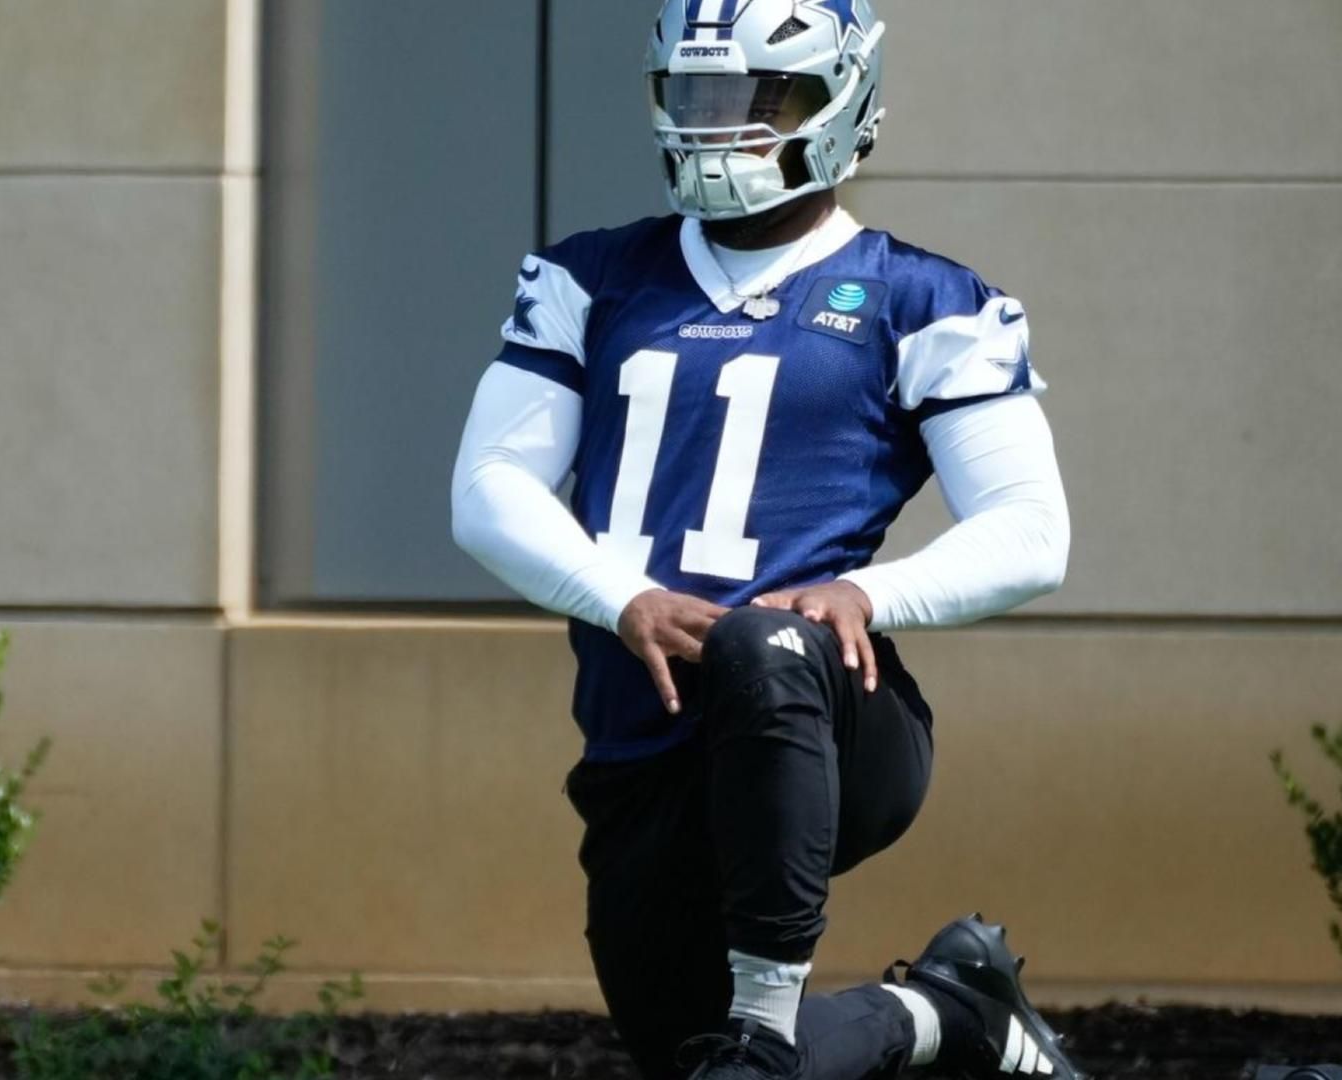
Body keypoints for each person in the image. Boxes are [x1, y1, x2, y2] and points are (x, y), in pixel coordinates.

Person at [453, 2, 1076, 1077]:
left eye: (760, 98)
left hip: (829, 722)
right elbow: (489, 487)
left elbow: (1031, 531)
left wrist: (870, 594)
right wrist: (624, 598)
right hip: (643, 743)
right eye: (698, 98)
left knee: (761, 642)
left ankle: (766, 1009)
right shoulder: (592, 277)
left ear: (843, 102)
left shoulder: (923, 299)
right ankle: (946, 1010)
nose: (723, 127)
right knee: (712, 1064)